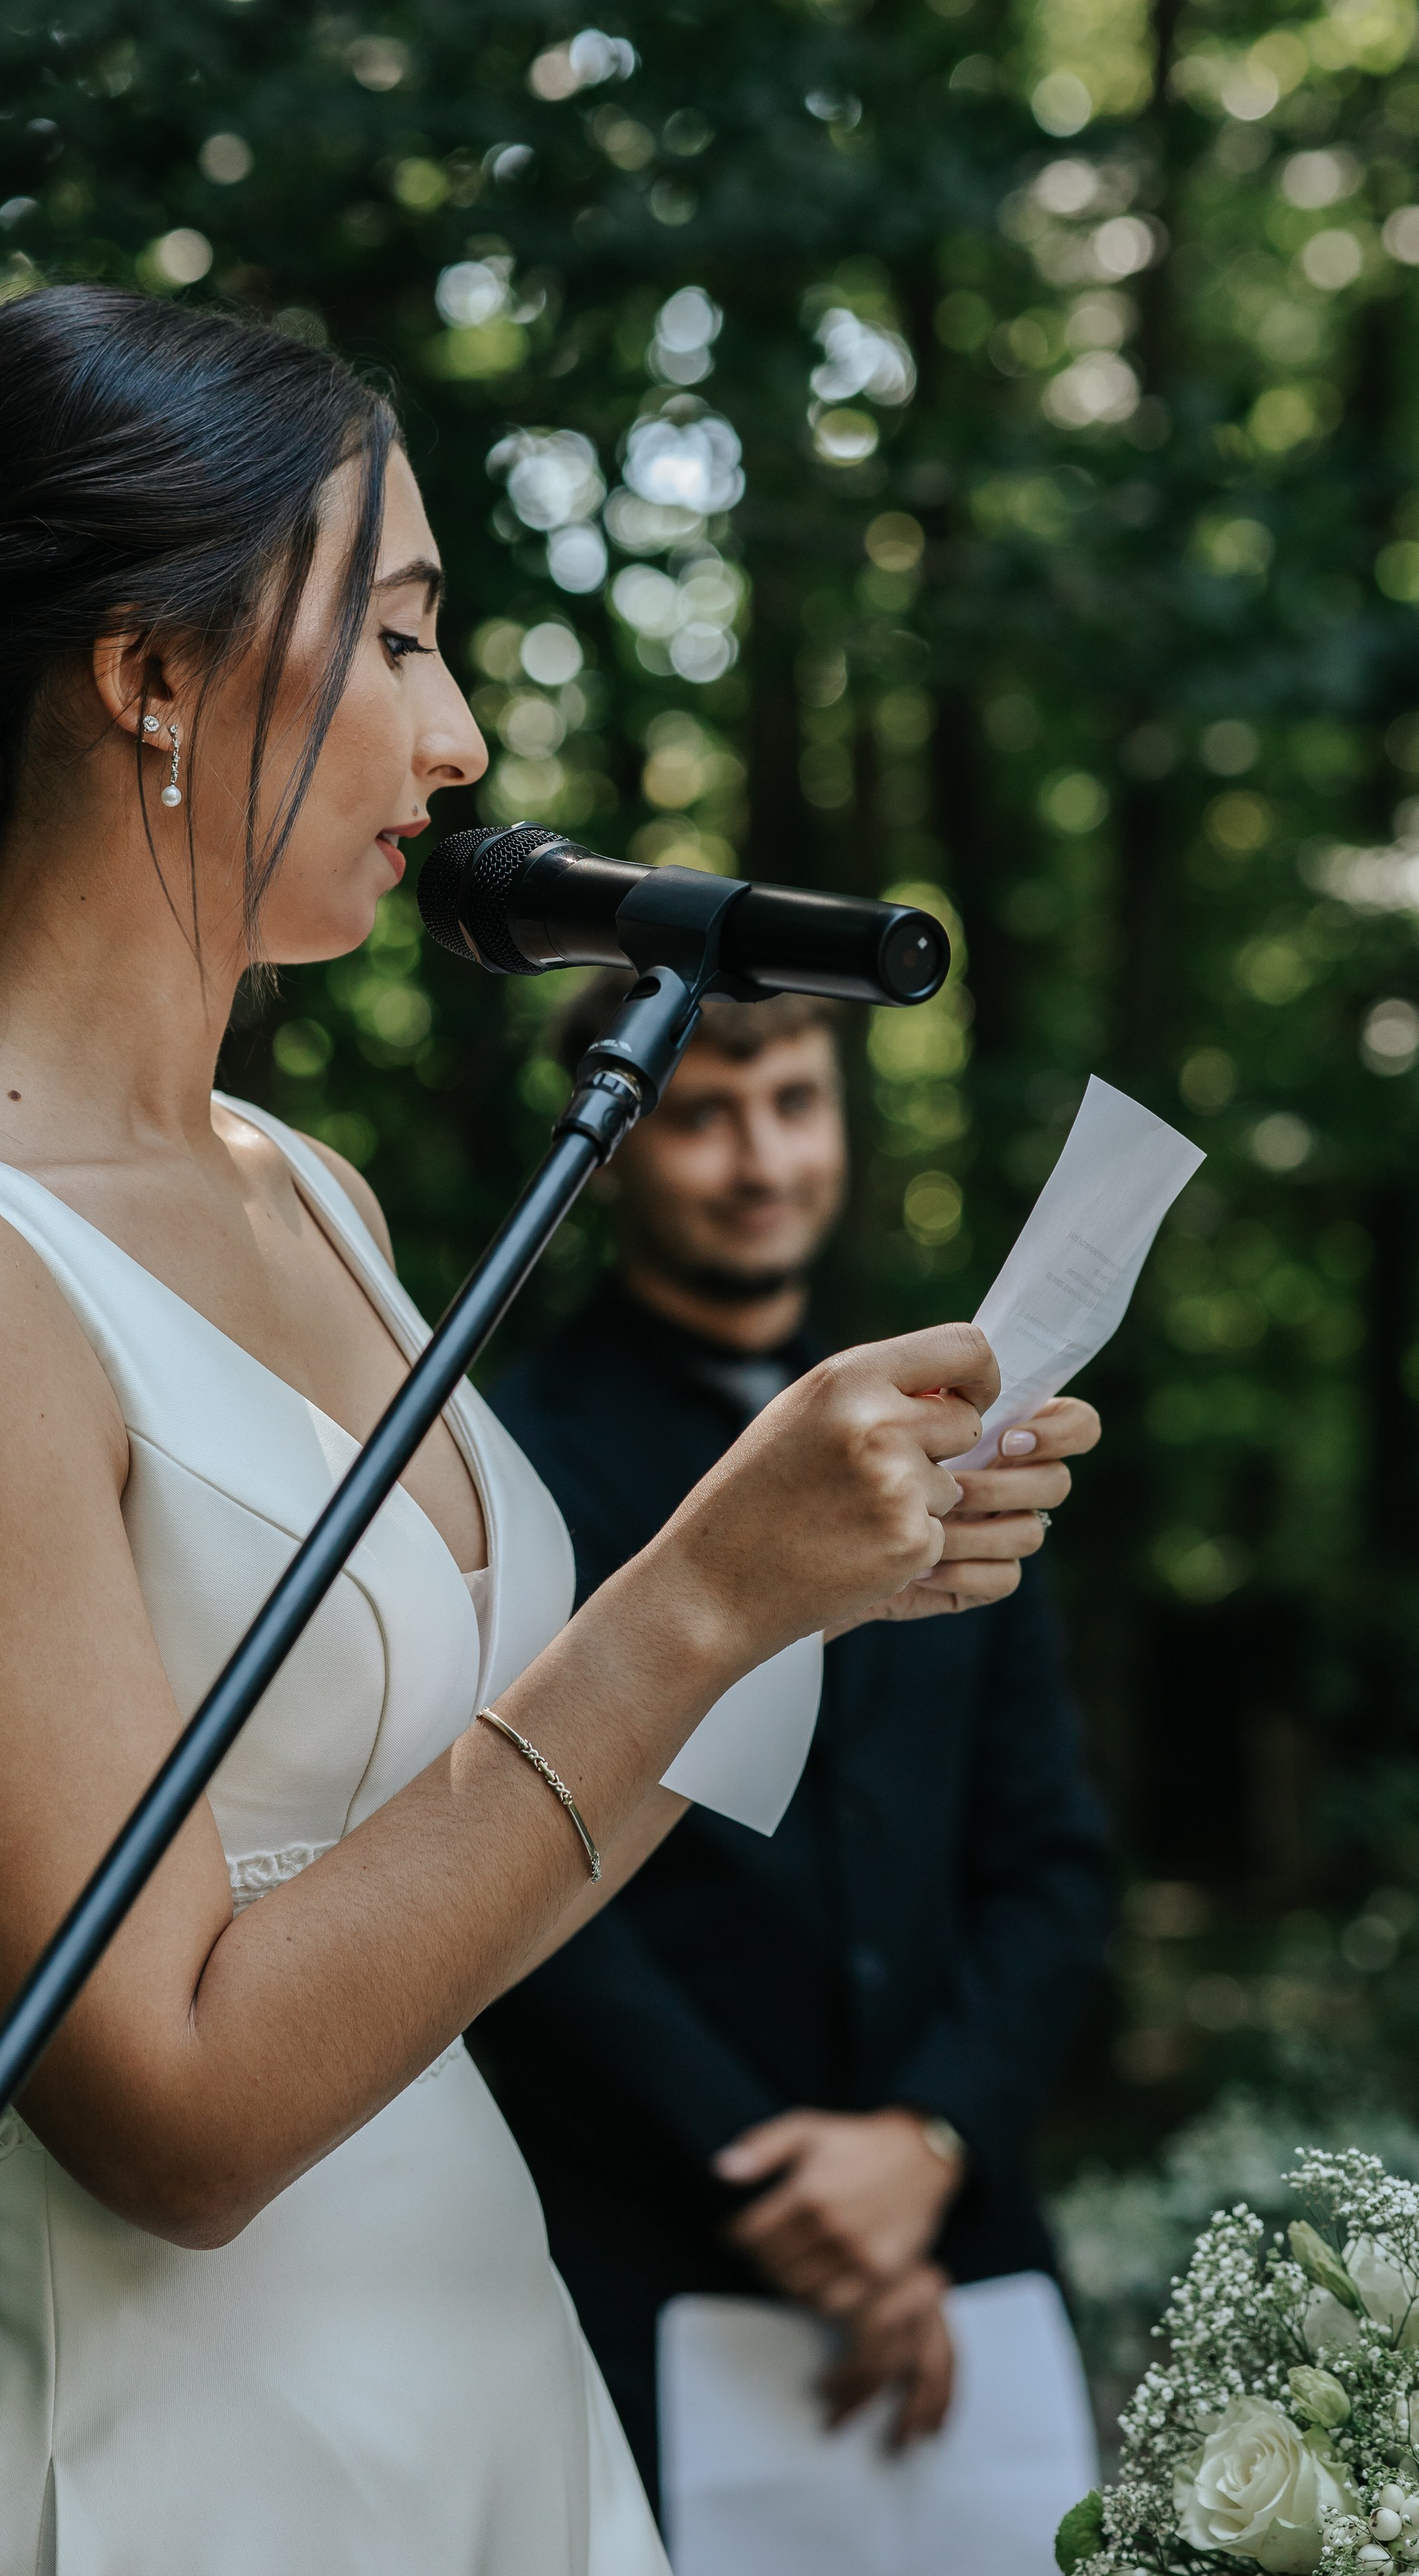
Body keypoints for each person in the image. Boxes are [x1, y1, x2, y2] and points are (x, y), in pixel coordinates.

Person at [0, 286, 1098, 2575]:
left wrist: (806, 1592)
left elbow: (473, 1872)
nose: (457, 742)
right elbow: (177, 2118)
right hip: (176, 2465)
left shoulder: (295, 1188)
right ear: (149, 675)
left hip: (496, 2397)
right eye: (405, 638)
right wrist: (694, 1601)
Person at [472, 979, 1113, 2521]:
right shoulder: (501, 1458)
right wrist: (775, 2188)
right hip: (647, 2252)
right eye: (702, 1115)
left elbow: (1049, 1856)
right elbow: (505, 1861)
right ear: (613, 1148)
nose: (759, 1159)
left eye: (793, 1105)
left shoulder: (961, 1429)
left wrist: (926, 2142)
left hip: (963, 2247)